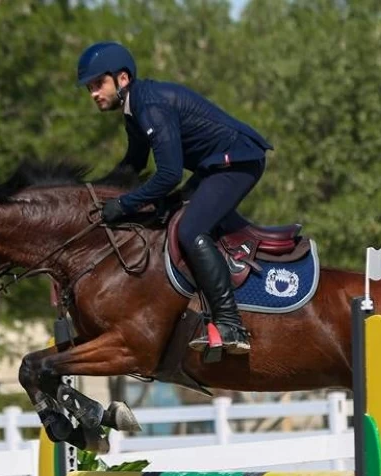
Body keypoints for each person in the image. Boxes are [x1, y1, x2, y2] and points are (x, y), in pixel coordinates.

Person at [77, 40, 272, 356]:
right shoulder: (134, 109)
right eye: (89, 87)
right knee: (165, 214)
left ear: (122, 78)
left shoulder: (149, 106)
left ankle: (230, 323)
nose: (93, 93)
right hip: (216, 165)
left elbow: (168, 175)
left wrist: (124, 204)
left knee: (191, 230)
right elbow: (134, 164)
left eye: (98, 84)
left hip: (238, 162)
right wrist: (94, 196)